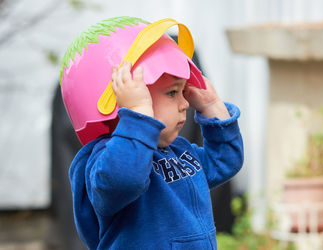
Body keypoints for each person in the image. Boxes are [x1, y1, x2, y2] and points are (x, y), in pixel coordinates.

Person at [64, 17, 244, 249]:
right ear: (122, 103)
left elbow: (224, 162)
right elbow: (124, 180)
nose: (185, 103)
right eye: (172, 93)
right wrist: (139, 114)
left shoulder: (180, 153)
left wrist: (212, 106)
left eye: (183, 91)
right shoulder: (103, 159)